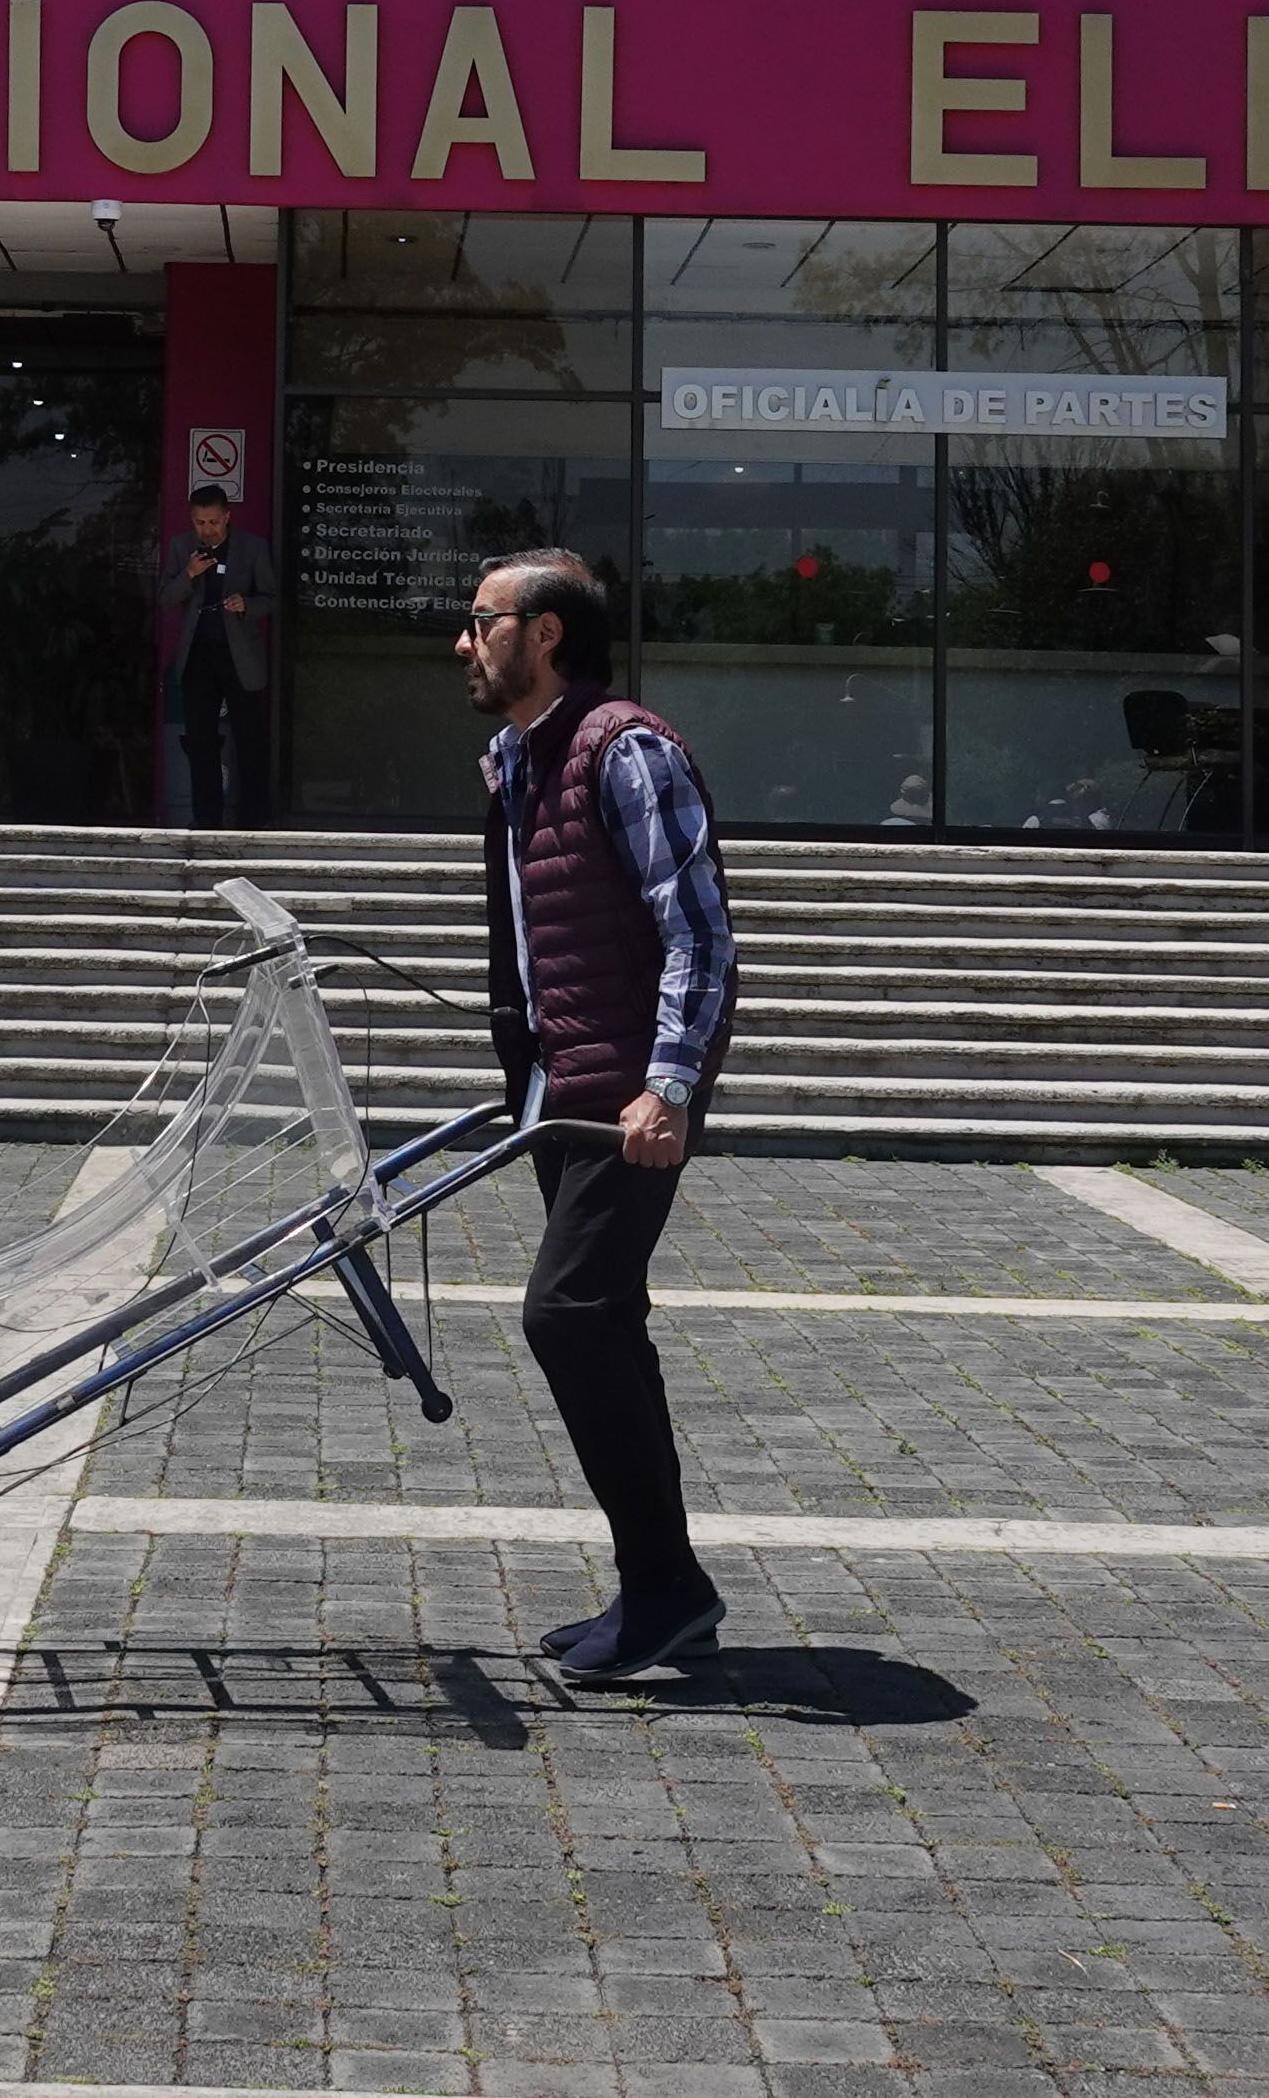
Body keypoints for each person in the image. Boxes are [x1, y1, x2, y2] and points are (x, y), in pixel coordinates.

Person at [461, 546, 734, 1685]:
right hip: (568, 1089)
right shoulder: (522, 758)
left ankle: (667, 1585)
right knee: (605, 1319)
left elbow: (698, 932)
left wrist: (668, 1084)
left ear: (547, 633)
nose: (464, 641)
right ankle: (663, 1588)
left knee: (567, 1314)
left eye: (483, 620)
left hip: (630, 1087)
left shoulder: (625, 749)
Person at [170, 483, 276, 830]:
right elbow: (164, 598)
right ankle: (207, 820)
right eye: (200, 522)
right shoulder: (182, 547)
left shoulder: (253, 548)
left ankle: (253, 820)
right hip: (198, 656)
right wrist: (189, 574)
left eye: (213, 521)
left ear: (227, 517)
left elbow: (272, 597)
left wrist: (247, 605)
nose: (207, 529)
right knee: (201, 742)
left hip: (239, 655)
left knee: (249, 740)